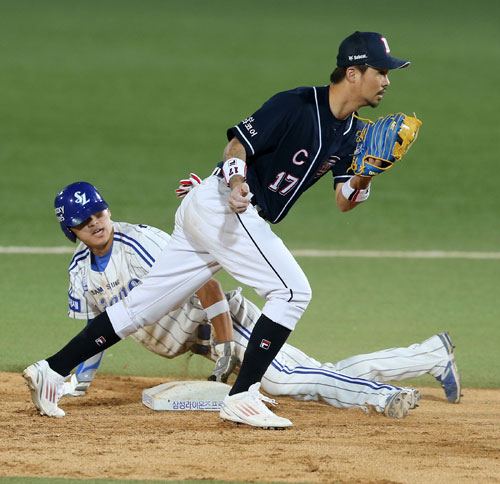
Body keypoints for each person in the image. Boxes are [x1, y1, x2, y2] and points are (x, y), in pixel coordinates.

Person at [24, 31, 426, 429]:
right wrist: (237, 184)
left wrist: (365, 177)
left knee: (138, 308)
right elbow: (236, 146)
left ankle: (51, 371)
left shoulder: (356, 133)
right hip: (221, 203)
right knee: (291, 291)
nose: (387, 81)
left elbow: (343, 200)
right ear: (353, 73)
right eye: (381, 71)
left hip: (216, 216)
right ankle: (243, 395)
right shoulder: (297, 104)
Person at [24, 181, 461, 422]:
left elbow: (204, 283)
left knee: (290, 381)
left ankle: (383, 397)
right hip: (211, 342)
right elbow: (97, 328)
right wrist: (77, 382)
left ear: (108, 211)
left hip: (230, 324)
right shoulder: (80, 272)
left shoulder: (139, 244)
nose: (96, 223)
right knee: (306, 375)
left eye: (99, 213)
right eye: (85, 221)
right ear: (73, 232)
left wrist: (227, 340)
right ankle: (431, 354)